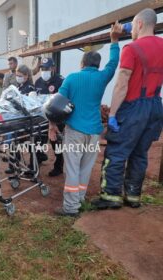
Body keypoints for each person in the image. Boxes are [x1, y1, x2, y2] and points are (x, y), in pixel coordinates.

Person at [92, 9, 163, 210]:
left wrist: (113, 114)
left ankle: (110, 196)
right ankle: (133, 196)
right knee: (140, 153)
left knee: (116, 151)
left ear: (139, 24)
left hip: (133, 108)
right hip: (155, 105)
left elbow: (121, 83)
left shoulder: (132, 49)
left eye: (132, 24)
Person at [49, 22, 122, 217]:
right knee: (86, 168)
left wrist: (52, 126)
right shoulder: (102, 77)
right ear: (97, 65)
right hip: (94, 132)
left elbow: (56, 105)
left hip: (75, 131)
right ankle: (80, 199)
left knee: (72, 169)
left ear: (82, 63)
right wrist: (114, 41)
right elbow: (113, 63)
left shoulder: (71, 78)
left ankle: (70, 208)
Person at [35, 57, 64, 175]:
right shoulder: (38, 82)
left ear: (53, 68)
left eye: (46, 68)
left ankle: (58, 167)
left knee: (56, 144)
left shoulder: (60, 81)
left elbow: (63, 100)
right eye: (42, 68)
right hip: (42, 119)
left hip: (56, 119)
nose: (44, 71)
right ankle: (35, 164)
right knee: (38, 142)